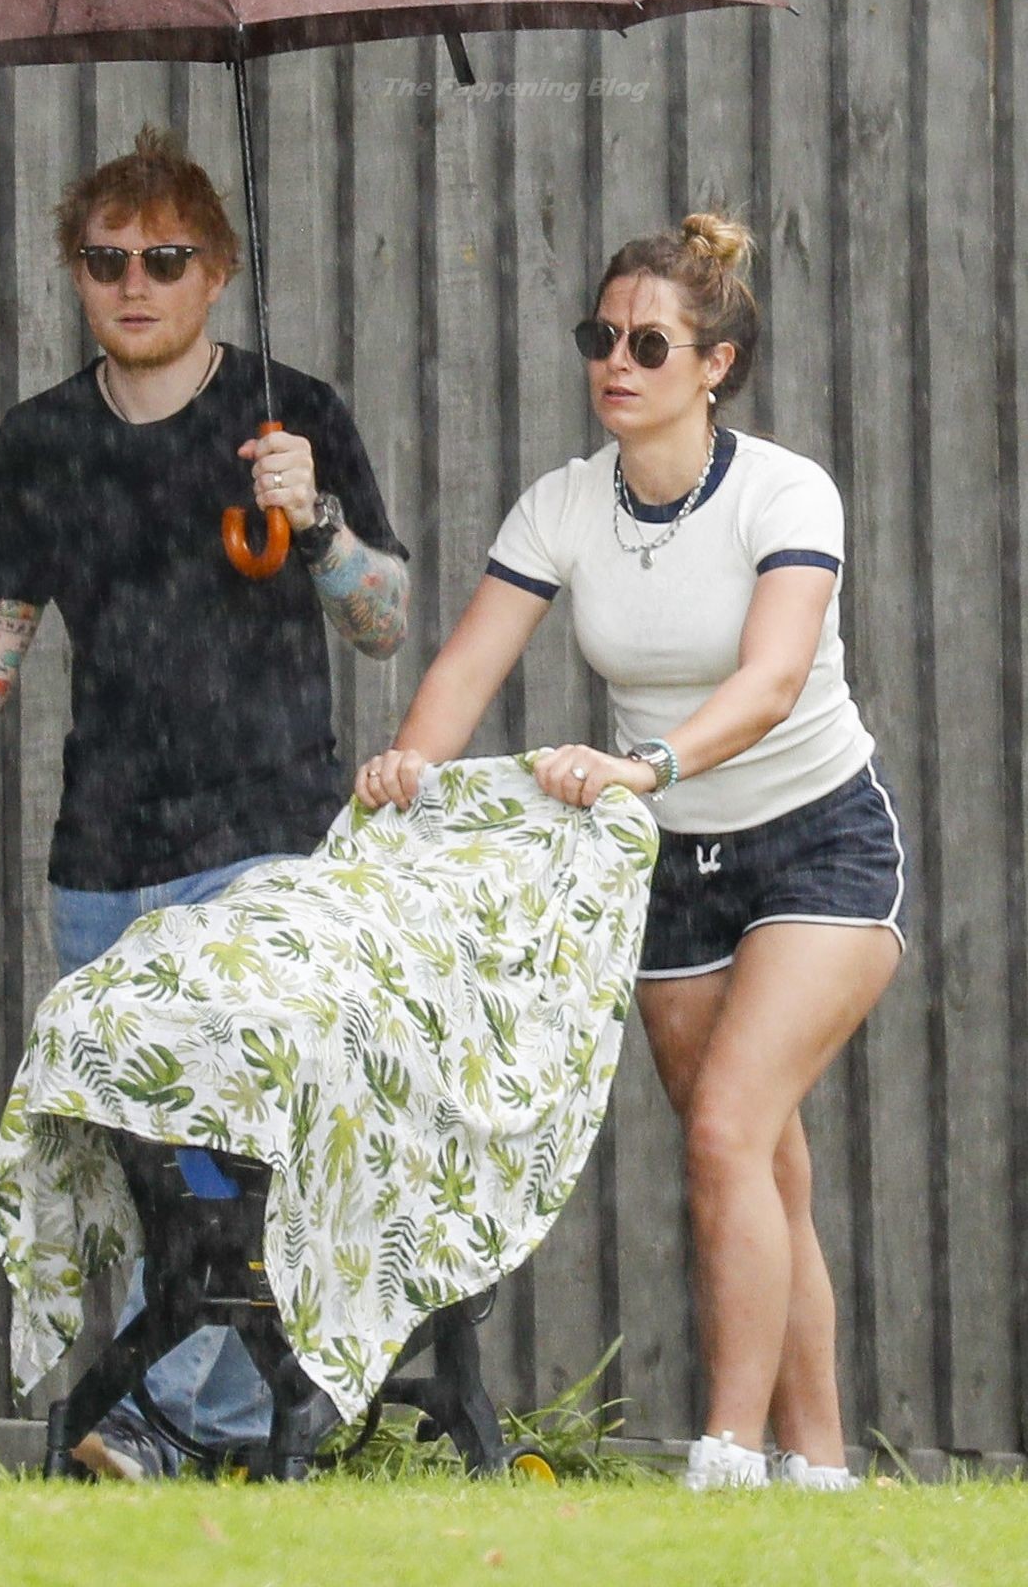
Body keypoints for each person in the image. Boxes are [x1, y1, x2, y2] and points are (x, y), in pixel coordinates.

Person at [0, 124, 409, 1480]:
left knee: (231, 1144)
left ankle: (162, 1424)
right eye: (106, 261)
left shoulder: (290, 414)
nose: (134, 284)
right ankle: (227, 1426)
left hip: (267, 840)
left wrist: (317, 522)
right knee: (147, 1166)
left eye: (165, 259)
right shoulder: (42, 438)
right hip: (104, 853)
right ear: (76, 274)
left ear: (216, 271)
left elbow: (384, 623)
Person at [355, 211, 904, 1493]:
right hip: (667, 865)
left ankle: (725, 1455)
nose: (616, 362)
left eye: (648, 344)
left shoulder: (784, 492)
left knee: (724, 1128)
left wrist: (643, 766)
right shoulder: (562, 503)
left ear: (714, 364)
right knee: (759, 1159)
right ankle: (821, 1471)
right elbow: (465, 669)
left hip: (817, 842)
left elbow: (771, 682)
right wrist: (405, 769)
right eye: (598, 337)